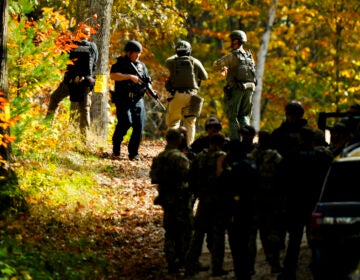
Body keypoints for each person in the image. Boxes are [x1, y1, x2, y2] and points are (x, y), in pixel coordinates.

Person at [149, 128, 193, 274]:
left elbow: (153, 177)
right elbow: (188, 177)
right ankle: (184, 261)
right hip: (180, 199)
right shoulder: (179, 157)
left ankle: (171, 262)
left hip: (166, 198)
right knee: (184, 230)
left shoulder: (160, 157)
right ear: (177, 139)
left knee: (170, 231)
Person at [185, 133, 228, 277]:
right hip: (218, 201)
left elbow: (190, 176)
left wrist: (197, 192)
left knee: (198, 234)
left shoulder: (200, 157)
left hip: (203, 200)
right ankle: (217, 267)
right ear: (221, 143)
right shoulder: (222, 157)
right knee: (218, 234)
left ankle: (190, 265)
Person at [47, 27, 98, 139]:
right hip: (84, 82)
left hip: (69, 82)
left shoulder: (70, 44)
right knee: (84, 111)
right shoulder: (92, 46)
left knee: (54, 99)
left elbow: (62, 59)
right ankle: (84, 141)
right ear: (88, 35)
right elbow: (94, 64)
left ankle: (47, 130)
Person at [110, 40, 154, 161]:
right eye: (136, 53)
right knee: (125, 122)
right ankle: (116, 147)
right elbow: (113, 76)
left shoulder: (142, 66)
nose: (138, 55)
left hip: (138, 99)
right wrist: (129, 77)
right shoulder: (120, 63)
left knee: (139, 125)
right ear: (129, 53)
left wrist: (151, 92)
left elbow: (146, 82)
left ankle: (133, 153)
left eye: (139, 53)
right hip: (123, 98)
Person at [213, 30, 256, 140]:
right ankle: (247, 142)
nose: (230, 43)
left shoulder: (232, 56)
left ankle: (235, 143)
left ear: (236, 41)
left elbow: (216, 66)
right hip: (249, 89)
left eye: (231, 40)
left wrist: (224, 67)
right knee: (245, 117)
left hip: (236, 89)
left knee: (233, 117)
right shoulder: (249, 56)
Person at [165, 40, 209, 145]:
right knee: (190, 123)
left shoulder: (170, 61)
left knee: (173, 123)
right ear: (189, 51)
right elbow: (205, 77)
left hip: (176, 95)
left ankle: (172, 146)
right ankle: (189, 148)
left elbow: (166, 72)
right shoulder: (195, 61)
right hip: (192, 96)